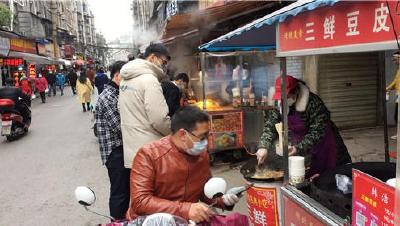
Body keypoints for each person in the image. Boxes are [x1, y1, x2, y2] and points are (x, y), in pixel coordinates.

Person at [127, 106, 240, 222]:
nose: (206, 142)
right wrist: (185, 209)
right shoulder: (150, 154)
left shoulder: (201, 155)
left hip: (187, 221)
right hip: (151, 221)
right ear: (182, 134)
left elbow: (204, 191)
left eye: (207, 136)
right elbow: (140, 201)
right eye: (202, 137)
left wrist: (223, 200)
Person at [256, 75, 352, 178]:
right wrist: (263, 146)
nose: (284, 100)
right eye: (281, 97)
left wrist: (298, 148)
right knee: (306, 174)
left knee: (331, 175)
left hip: (326, 143)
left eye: (287, 97)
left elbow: (317, 132)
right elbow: (271, 124)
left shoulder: (314, 103)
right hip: (303, 145)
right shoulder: (279, 103)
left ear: (296, 91)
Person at [119, 43, 171, 169]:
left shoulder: (125, 79)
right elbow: (159, 119)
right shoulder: (149, 80)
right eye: (163, 62)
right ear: (152, 58)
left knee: (141, 188)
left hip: (132, 150)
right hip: (151, 151)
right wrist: (172, 132)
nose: (164, 67)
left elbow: (120, 108)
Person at [95, 61, 129, 220]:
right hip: (114, 152)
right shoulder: (108, 96)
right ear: (117, 76)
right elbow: (118, 127)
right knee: (119, 192)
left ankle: (122, 219)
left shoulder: (117, 93)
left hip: (119, 150)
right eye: (126, 77)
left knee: (124, 189)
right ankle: (116, 222)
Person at [386, 51, 400, 139]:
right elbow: (396, 82)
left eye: (395, 59)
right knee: (397, 116)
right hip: (398, 95)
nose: (394, 61)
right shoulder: (399, 69)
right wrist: (388, 88)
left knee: (397, 116)